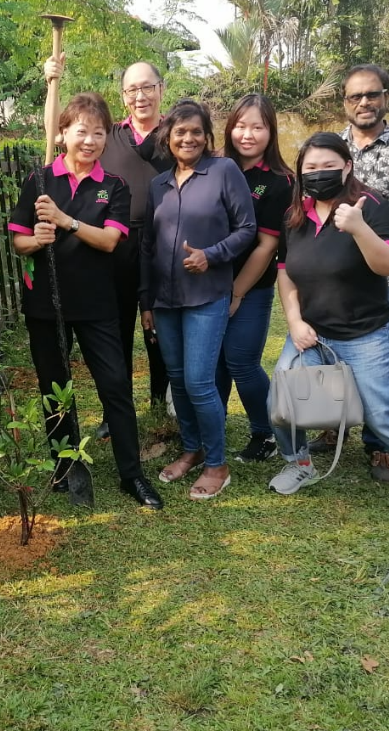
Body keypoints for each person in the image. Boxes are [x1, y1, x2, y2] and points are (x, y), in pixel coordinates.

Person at [266, 132, 389, 520]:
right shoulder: (296, 213)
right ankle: (300, 463)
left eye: (328, 167)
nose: (319, 174)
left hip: (365, 333)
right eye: (310, 168)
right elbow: (286, 272)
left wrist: (358, 227)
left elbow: (388, 266)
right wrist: (294, 321)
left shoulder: (371, 207)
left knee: (382, 412)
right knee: (280, 400)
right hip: (313, 331)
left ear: (347, 167)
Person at [8, 92, 163, 510]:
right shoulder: (39, 182)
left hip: (97, 303)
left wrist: (65, 221)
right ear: (63, 134)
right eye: (82, 131)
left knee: (115, 386)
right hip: (46, 306)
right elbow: (18, 238)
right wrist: (33, 241)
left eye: (98, 133)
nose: (90, 141)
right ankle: (65, 465)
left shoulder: (114, 186)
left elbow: (111, 240)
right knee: (56, 389)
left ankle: (132, 473)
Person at [310, 64, 389, 480]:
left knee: (379, 365)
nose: (364, 103)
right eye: (355, 96)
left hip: (382, 276)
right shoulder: (333, 147)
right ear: (344, 102)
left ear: (386, 96)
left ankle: (379, 444)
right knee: (330, 356)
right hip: (331, 274)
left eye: (372, 95)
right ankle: (334, 427)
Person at [44, 56, 172, 436]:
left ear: (161, 90)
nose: (140, 96)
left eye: (147, 87)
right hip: (113, 244)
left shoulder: (174, 133)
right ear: (123, 96)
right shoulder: (109, 134)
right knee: (114, 331)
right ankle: (114, 410)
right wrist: (52, 84)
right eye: (132, 89)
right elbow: (56, 133)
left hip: (161, 244)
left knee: (159, 327)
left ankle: (161, 400)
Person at [140, 100, 256, 501]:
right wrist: (146, 303)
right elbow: (149, 246)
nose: (187, 138)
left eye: (195, 132)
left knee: (199, 382)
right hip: (166, 300)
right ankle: (191, 449)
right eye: (179, 132)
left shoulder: (224, 172)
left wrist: (212, 255)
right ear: (168, 139)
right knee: (177, 378)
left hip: (207, 296)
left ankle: (217, 464)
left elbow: (247, 228)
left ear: (207, 137)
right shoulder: (159, 184)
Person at [215, 95, 294, 463]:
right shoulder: (214, 167)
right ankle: (209, 431)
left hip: (250, 287)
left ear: (270, 132)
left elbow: (266, 246)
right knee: (213, 362)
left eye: (257, 126)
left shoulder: (279, 181)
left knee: (241, 361)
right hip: (207, 283)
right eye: (241, 125)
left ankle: (266, 433)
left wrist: (237, 292)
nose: (247, 134)